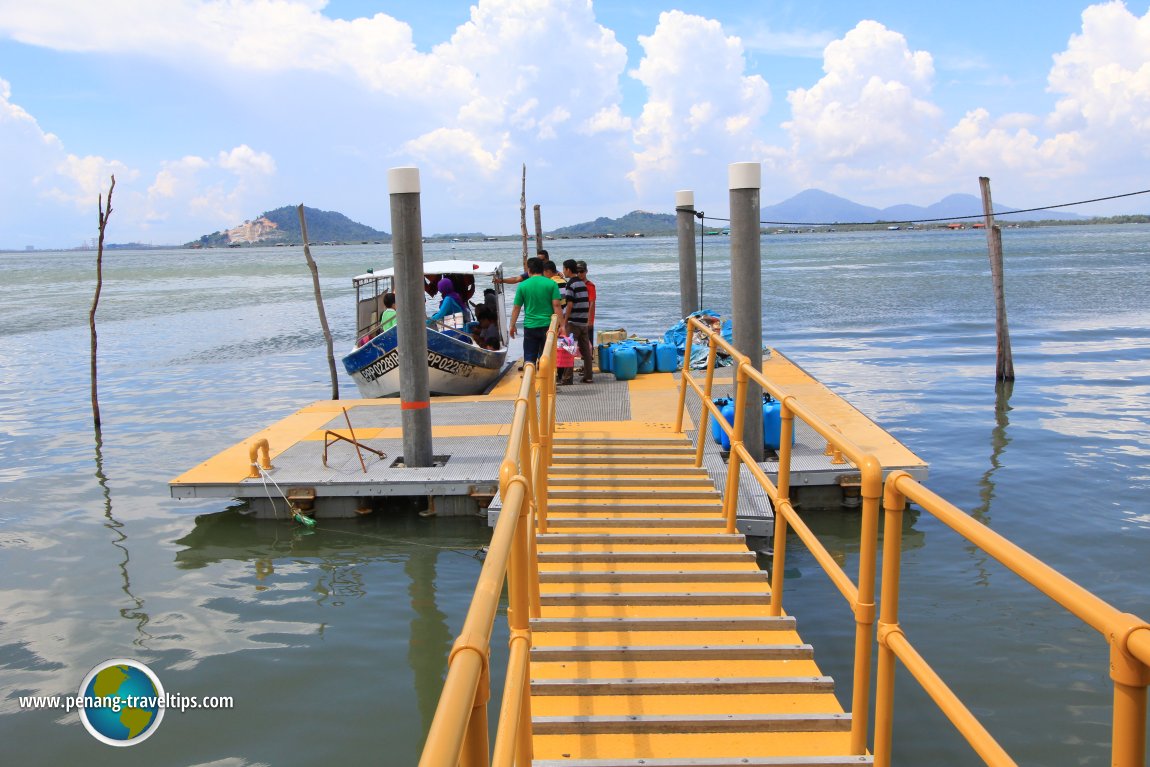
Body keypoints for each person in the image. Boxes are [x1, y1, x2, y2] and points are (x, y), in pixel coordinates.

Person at [509, 256, 562, 367]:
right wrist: (562, 325)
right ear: (542, 269)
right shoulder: (551, 284)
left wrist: (512, 325)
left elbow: (516, 307)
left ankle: (530, 380)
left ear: (529, 270)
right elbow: (557, 305)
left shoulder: (523, 285)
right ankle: (545, 382)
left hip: (530, 326)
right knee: (547, 356)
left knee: (529, 357)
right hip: (548, 327)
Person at [562, 258, 593, 383]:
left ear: (568, 269)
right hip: (583, 321)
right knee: (586, 351)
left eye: (564, 269)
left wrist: (565, 321)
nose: (563, 272)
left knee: (569, 350)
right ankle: (588, 376)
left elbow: (569, 304)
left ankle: (567, 378)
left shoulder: (570, 284)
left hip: (573, 322)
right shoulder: (582, 283)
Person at [576, 260, 595, 349]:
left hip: (586, 319)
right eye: (577, 272)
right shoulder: (574, 285)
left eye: (581, 271)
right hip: (577, 319)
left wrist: (589, 320)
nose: (579, 274)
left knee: (588, 344)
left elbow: (591, 303)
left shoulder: (590, 286)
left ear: (586, 271)